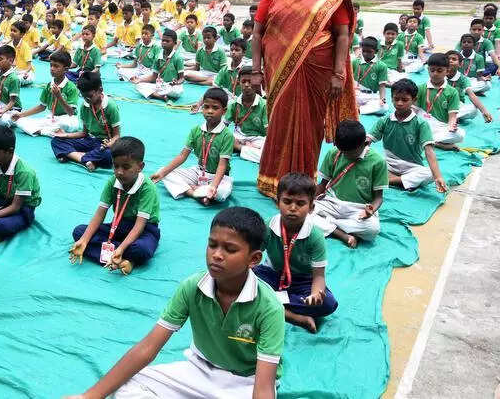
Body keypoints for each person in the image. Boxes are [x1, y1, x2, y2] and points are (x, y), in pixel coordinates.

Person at [66, 207, 284, 399]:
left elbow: (264, 386)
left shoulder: (269, 307)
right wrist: (90, 396)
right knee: (128, 387)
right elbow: (148, 348)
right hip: (199, 370)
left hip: (245, 382)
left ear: (254, 259)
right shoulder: (192, 287)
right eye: (212, 245)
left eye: (230, 249)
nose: (217, 255)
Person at [251, 0, 357, 198]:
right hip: (279, 72)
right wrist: (255, 70)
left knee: (310, 127)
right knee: (279, 123)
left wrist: (339, 74)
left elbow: (342, 35)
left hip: (317, 74)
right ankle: (272, 180)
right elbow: (258, 32)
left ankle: (303, 181)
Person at [253, 173, 337, 333]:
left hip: (302, 281)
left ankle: (269, 302)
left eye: (300, 203)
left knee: (328, 303)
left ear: (311, 208)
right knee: (237, 281)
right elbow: (252, 257)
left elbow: (319, 276)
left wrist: (315, 295)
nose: (293, 208)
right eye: (287, 201)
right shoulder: (268, 226)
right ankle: (293, 316)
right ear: (277, 202)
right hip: (271, 274)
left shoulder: (315, 236)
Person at [69, 136, 160, 275]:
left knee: (142, 249)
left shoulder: (148, 188)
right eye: (115, 166)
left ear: (140, 167)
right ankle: (124, 261)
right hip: (118, 225)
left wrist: (121, 248)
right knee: (79, 232)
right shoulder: (112, 182)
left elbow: (139, 225)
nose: (119, 172)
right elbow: (100, 214)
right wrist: (84, 240)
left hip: (145, 229)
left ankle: (121, 255)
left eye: (126, 167)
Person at [312, 120, 388, 248]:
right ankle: (342, 234)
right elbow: (322, 185)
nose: (346, 154)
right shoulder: (333, 153)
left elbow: (378, 198)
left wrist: (371, 210)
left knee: (373, 229)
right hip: (331, 203)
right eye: (342, 150)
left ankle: (329, 225)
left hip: (358, 209)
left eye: (351, 152)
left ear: (364, 144)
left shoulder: (378, 162)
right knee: (303, 213)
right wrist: (308, 199)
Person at [151, 87, 233, 204]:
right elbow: (182, 156)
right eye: (206, 107)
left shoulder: (227, 135)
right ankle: (194, 194)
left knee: (221, 192)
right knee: (163, 171)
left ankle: (201, 191)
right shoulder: (196, 130)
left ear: (224, 111)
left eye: (215, 108)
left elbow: (222, 165)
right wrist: (162, 174)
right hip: (199, 172)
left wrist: (213, 186)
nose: (210, 111)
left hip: (219, 177)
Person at [367, 79, 447, 193]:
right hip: (388, 164)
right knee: (366, 156)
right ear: (391, 98)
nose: (399, 103)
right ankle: (400, 180)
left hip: (411, 166)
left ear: (414, 100)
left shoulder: (421, 124)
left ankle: (389, 180)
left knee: (429, 174)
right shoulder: (384, 121)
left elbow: (429, 151)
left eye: (404, 100)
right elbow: (368, 140)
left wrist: (438, 177)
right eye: (396, 99)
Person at [0, 125, 41, 251]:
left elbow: (15, 207)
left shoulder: (24, 172)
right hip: (2, 199)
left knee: (0, 225)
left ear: (10, 151)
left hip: (22, 208)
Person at [51, 72, 121, 172]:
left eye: (90, 96)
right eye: (84, 97)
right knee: (56, 140)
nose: (87, 100)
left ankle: (74, 156)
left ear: (100, 90)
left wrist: (109, 144)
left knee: (109, 155)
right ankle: (86, 160)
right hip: (89, 141)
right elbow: (84, 133)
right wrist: (65, 135)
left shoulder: (111, 106)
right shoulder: (84, 106)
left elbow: (117, 136)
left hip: (104, 143)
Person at [10, 50, 80, 136]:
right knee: (20, 121)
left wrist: (59, 97)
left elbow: (71, 113)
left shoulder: (71, 87)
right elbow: (42, 107)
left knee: (67, 124)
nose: (52, 69)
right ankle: (51, 132)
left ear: (65, 69)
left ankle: (47, 131)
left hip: (67, 118)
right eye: (51, 65)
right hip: (52, 118)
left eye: (56, 66)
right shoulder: (49, 85)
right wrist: (21, 115)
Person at [416, 53, 464, 149]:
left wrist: (452, 126)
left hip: (440, 127)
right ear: (428, 70)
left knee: (460, 134)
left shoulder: (452, 92)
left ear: (447, 71)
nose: (435, 73)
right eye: (432, 70)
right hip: (422, 123)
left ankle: (426, 140)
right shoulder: (420, 88)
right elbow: (414, 111)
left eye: (439, 70)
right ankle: (435, 142)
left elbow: (452, 116)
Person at [226, 67, 268, 163]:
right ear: (238, 82)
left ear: (256, 83)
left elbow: (268, 132)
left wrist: (237, 145)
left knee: (267, 155)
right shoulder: (234, 104)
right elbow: (223, 126)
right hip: (238, 137)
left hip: (258, 139)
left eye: (250, 81)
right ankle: (247, 148)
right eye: (243, 81)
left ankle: (239, 148)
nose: (246, 85)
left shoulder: (264, 105)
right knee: (220, 140)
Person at [132, 28, 184, 101]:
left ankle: (156, 94)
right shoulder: (158, 56)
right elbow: (154, 77)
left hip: (172, 87)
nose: (164, 43)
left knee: (177, 91)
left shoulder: (178, 57)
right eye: (163, 40)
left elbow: (182, 78)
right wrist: (140, 80)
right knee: (139, 85)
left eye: (167, 41)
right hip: (161, 85)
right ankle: (160, 96)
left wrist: (176, 82)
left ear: (175, 43)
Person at [445, 50, 492, 124]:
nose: (450, 61)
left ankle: (449, 117)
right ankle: (451, 117)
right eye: (448, 59)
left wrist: (484, 111)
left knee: (473, 110)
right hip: (441, 102)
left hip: (456, 104)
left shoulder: (463, 79)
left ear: (460, 64)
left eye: (454, 59)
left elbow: (472, 95)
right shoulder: (440, 74)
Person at [353, 36, 389, 115]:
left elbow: (382, 86)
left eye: (369, 52)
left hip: (372, 96)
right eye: (364, 51)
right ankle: (360, 109)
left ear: (376, 51)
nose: (365, 54)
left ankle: (358, 110)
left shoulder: (382, 66)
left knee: (384, 108)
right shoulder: (355, 62)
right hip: (356, 94)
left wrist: (382, 99)